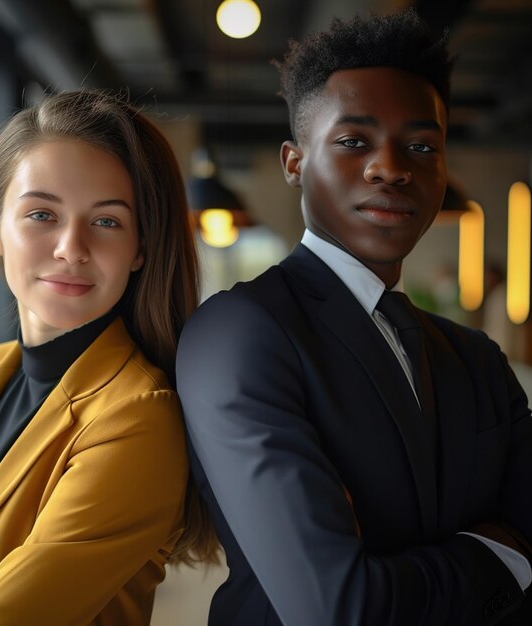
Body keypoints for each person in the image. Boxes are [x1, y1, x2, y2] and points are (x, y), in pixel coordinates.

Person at [176, 9, 532, 626]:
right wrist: (505, 552)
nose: (391, 167)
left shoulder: (477, 358)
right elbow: (338, 609)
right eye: (353, 141)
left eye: (422, 146)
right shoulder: (239, 333)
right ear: (294, 163)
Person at [0, 89, 216, 626]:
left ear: (140, 247)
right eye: (42, 213)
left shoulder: (138, 417)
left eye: (106, 222)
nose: (71, 248)